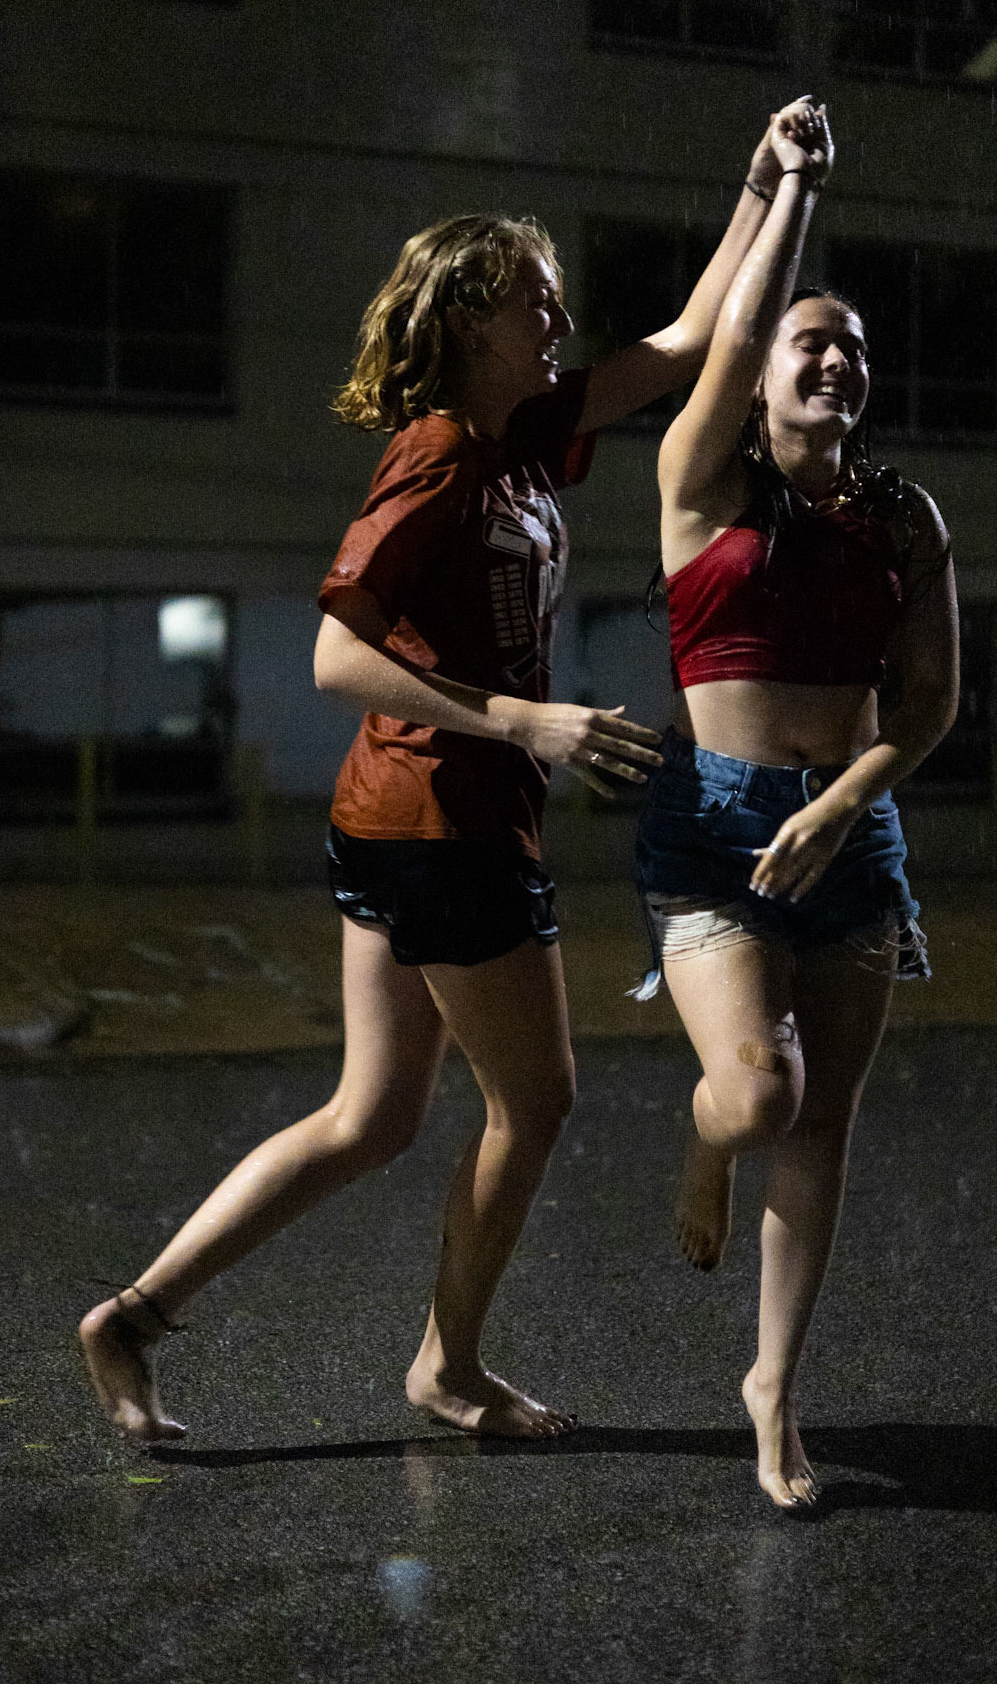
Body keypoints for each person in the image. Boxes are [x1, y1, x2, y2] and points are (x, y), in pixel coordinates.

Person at [79, 99, 822, 1443]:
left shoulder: (525, 434)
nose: (556, 318)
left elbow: (684, 341)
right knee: (534, 1101)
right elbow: (331, 660)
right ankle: (447, 1366)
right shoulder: (432, 455)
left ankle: (132, 1318)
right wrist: (522, 723)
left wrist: (761, 184)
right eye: (532, 302)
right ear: (469, 316)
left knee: (371, 1115)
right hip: (442, 822)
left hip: (401, 816)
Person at [633, 101, 958, 1507]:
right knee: (762, 1097)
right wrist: (788, 194)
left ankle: (772, 1392)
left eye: (853, 346)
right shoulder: (700, 490)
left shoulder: (903, 518)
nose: (832, 355)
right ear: (756, 375)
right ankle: (709, 1144)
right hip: (714, 828)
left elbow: (934, 705)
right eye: (806, 340)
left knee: (823, 1125)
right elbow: (731, 330)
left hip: (852, 832)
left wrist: (847, 802)